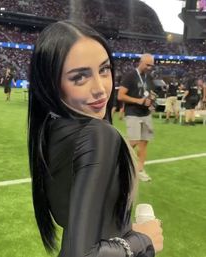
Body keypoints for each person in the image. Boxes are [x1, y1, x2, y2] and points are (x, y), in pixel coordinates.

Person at [28, 20, 163, 257]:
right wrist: (143, 239)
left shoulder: (49, 129)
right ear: (51, 84)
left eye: (104, 69)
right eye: (79, 77)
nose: (100, 88)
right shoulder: (98, 135)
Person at [118, 53, 155, 182]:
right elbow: (120, 95)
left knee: (144, 143)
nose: (149, 67)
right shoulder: (130, 76)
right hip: (133, 113)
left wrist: (150, 102)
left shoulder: (148, 77)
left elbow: (149, 93)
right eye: (147, 64)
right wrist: (138, 101)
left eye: (152, 65)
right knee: (133, 142)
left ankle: (140, 170)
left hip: (146, 114)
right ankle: (118, 162)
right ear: (141, 62)